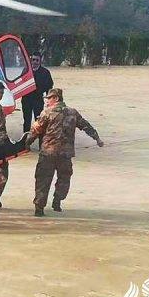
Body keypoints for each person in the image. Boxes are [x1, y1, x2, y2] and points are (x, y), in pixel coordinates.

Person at [26, 88, 104, 216]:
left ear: (56, 98)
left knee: (43, 180)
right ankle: (57, 200)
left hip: (48, 153)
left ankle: (39, 207)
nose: (47, 102)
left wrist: (27, 143)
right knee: (64, 178)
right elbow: (86, 126)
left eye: (49, 99)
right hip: (65, 154)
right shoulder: (73, 113)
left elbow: (35, 130)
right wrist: (97, 138)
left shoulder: (47, 113)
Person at [21, 54, 54, 134]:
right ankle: (25, 139)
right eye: (33, 60)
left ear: (40, 61)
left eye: (37, 60)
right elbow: (21, 83)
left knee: (39, 120)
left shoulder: (45, 72)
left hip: (38, 99)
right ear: (31, 60)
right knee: (27, 120)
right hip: (26, 99)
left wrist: (50, 101)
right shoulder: (26, 70)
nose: (35, 62)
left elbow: (49, 86)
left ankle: (41, 139)